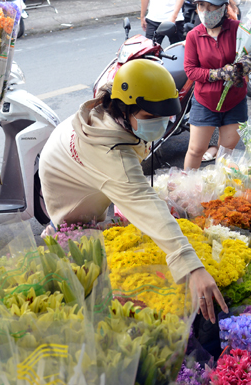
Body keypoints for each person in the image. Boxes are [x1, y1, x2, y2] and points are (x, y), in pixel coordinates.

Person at [39, 59, 228, 323]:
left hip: (77, 177)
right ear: (125, 108)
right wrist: (192, 266)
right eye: (151, 118)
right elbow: (144, 201)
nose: (160, 124)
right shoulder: (110, 152)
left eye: (166, 117)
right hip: (72, 206)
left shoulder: (109, 112)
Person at [183, 0, 251, 170]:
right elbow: (190, 70)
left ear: (223, 8)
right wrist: (219, 74)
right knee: (196, 150)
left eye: (211, 6)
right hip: (205, 101)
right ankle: (185, 192)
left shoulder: (238, 29)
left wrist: (246, 65)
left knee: (226, 151)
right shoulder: (193, 36)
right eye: (201, 6)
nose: (205, 11)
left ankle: (218, 190)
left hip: (235, 101)